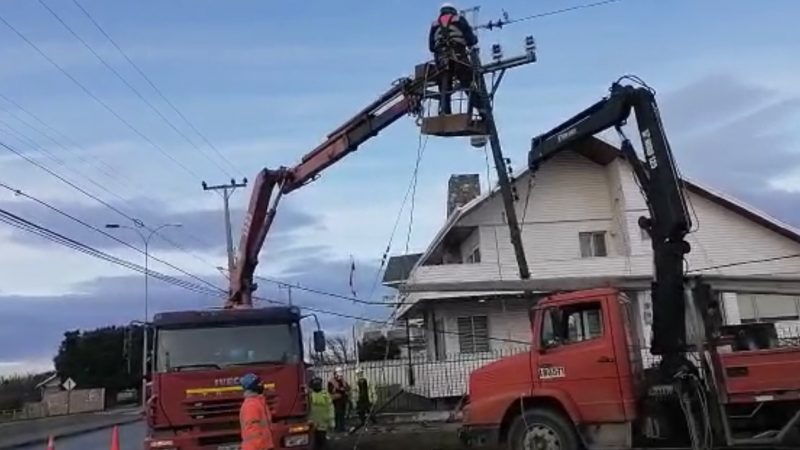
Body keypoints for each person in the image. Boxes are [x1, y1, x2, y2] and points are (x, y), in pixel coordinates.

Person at [428, 3, 479, 114]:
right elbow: (471, 39)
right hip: (459, 57)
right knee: (468, 83)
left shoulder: (434, 24)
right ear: (453, 11)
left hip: (441, 60)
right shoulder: (459, 19)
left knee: (444, 88)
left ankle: (445, 113)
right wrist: (473, 40)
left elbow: (431, 47)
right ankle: (482, 110)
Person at [239, 373, 274, 450]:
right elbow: (253, 432)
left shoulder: (258, 402)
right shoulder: (251, 405)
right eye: (259, 383)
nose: (261, 384)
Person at [309, 376, 333, 449]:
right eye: (315, 383)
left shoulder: (325, 394)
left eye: (318, 383)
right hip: (313, 421)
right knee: (315, 441)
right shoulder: (310, 394)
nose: (317, 385)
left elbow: (330, 407)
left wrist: (331, 421)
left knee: (322, 440)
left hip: (323, 421)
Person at [327, 367, 351, 432]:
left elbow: (348, 388)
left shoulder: (342, 380)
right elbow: (331, 390)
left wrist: (343, 390)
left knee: (342, 414)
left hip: (343, 400)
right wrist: (341, 389)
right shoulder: (331, 381)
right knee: (338, 414)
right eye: (338, 374)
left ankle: (342, 427)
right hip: (336, 400)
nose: (340, 376)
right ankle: (337, 428)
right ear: (335, 374)